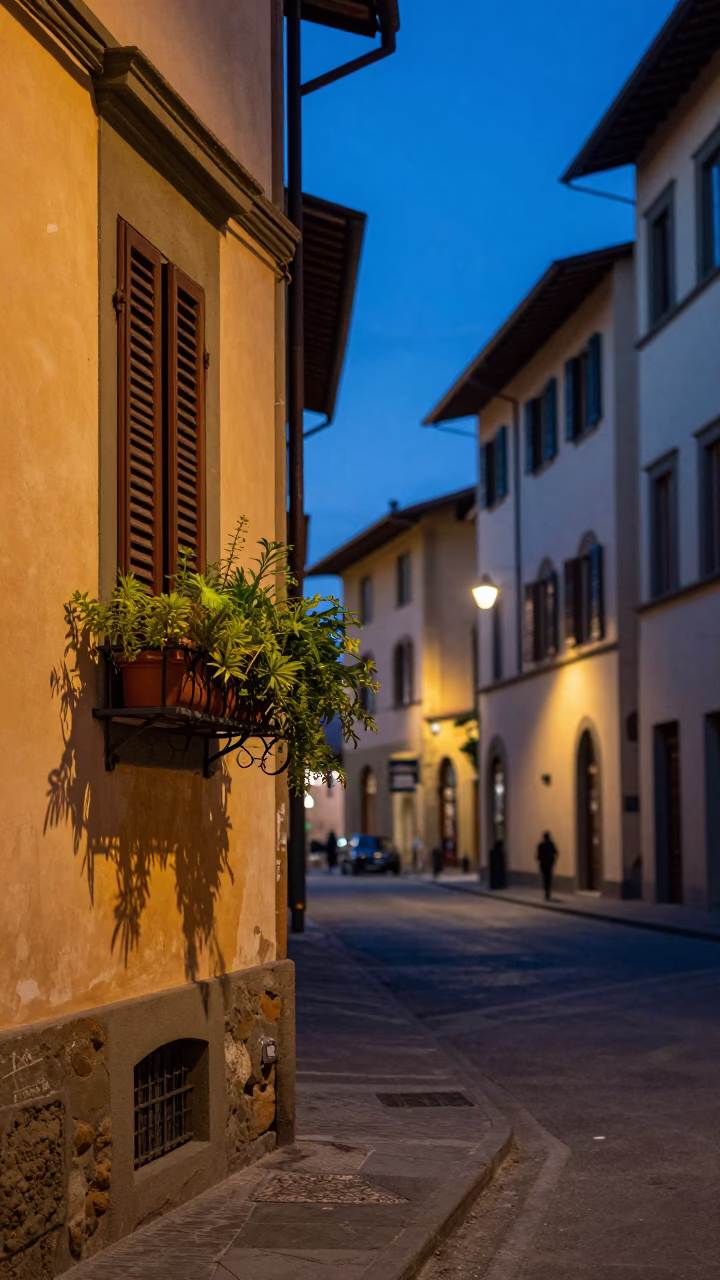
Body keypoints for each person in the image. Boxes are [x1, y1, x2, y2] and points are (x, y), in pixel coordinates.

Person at [536, 831, 558, 901]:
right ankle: (547, 892)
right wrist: (553, 860)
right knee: (548, 878)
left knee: (545, 878)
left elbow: (538, 856)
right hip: (549, 864)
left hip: (543, 864)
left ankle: (547, 892)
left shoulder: (541, 845)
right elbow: (556, 852)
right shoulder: (551, 844)